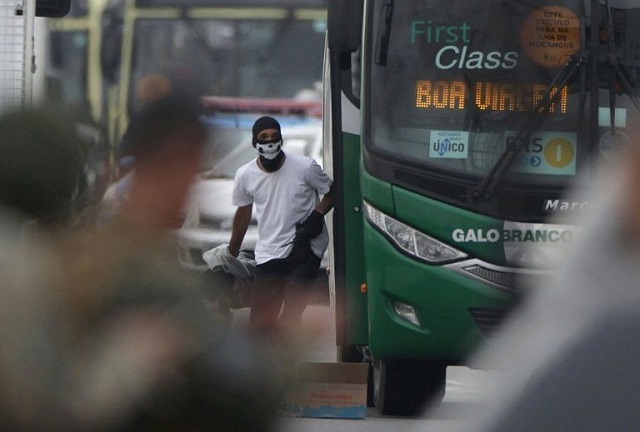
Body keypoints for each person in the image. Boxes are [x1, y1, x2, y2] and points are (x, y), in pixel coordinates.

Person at [228, 115, 334, 333]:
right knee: (260, 323)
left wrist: (317, 215)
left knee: (291, 316)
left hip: (305, 250)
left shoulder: (305, 167)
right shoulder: (245, 175)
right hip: (269, 253)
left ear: (281, 139)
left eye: (274, 136)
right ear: (254, 143)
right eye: (264, 137)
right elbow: (243, 215)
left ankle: (289, 360)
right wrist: (230, 255)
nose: (270, 141)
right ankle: (264, 363)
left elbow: (332, 192)